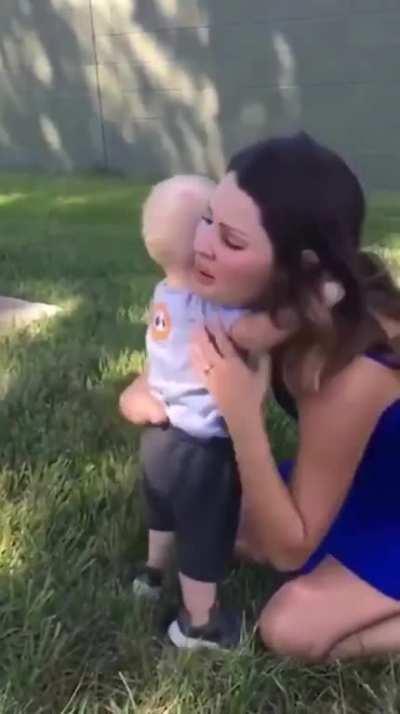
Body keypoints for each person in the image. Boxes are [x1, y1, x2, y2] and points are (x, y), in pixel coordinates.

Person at [188, 132, 400, 661]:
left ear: (299, 265)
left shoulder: (347, 369)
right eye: (208, 218)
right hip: (375, 483)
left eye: (233, 241)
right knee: (219, 520)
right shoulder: (312, 296)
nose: (204, 244)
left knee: (291, 626)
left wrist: (242, 414)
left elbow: (290, 549)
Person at [120, 175, 285, 649]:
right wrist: (302, 309)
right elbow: (258, 331)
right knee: (205, 534)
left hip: (159, 438)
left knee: (162, 511)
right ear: (202, 251)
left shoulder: (164, 293)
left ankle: (151, 575)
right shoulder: (208, 307)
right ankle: (198, 622)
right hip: (201, 448)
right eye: (212, 221)